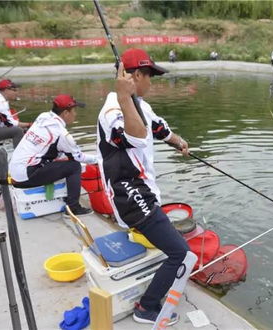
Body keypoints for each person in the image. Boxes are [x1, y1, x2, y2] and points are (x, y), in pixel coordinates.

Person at [96, 48, 190, 325]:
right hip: (129, 193)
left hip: (144, 189)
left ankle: (152, 290)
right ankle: (146, 308)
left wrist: (178, 142)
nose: (152, 82)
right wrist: (124, 95)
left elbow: (158, 128)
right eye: (150, 76)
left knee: (173, 245)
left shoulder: (141, 104)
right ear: (136, 75)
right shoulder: (113, 108)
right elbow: (136, 136)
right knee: (181, 253)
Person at [9, 94, 96, 216]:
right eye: (74, 111)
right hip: (25, 177)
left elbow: (46, 148)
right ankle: (73, 208)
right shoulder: (62, 134)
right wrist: (99, 159)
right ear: (66, 113)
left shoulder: (43, 117)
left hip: (14, 170)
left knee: (63, 160)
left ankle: (68, 199)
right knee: (74, 166)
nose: (75, 114)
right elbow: (79, 157)